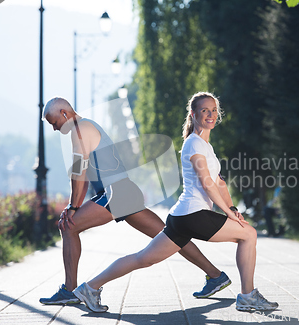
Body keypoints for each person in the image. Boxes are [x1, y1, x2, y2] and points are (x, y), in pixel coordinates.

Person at [73, 92, 279, 312]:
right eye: (204, 110)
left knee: (144, 258)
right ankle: (248, 296)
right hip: (193, 215)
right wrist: (227, 213)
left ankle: (90, 287)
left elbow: (219, 183)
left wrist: (233, 209)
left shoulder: (204, 145)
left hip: (182, 217)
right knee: (249, 234)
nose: (210, 114)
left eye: (213, 110)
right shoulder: (194, 144)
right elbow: (207, 183)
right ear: (193, 114)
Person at [39, 97, 231, 305]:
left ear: (65, 114)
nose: (55, 128)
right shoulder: (85, 127)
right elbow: (81, 176)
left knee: (68, 227)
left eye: (54, 123)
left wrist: (72, 207)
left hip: (117, 193)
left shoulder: (80, 129)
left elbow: (78, 174)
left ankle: (69, 290)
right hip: (125, 191)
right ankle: (215, 275)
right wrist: (74, 204)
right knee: (171, 235)